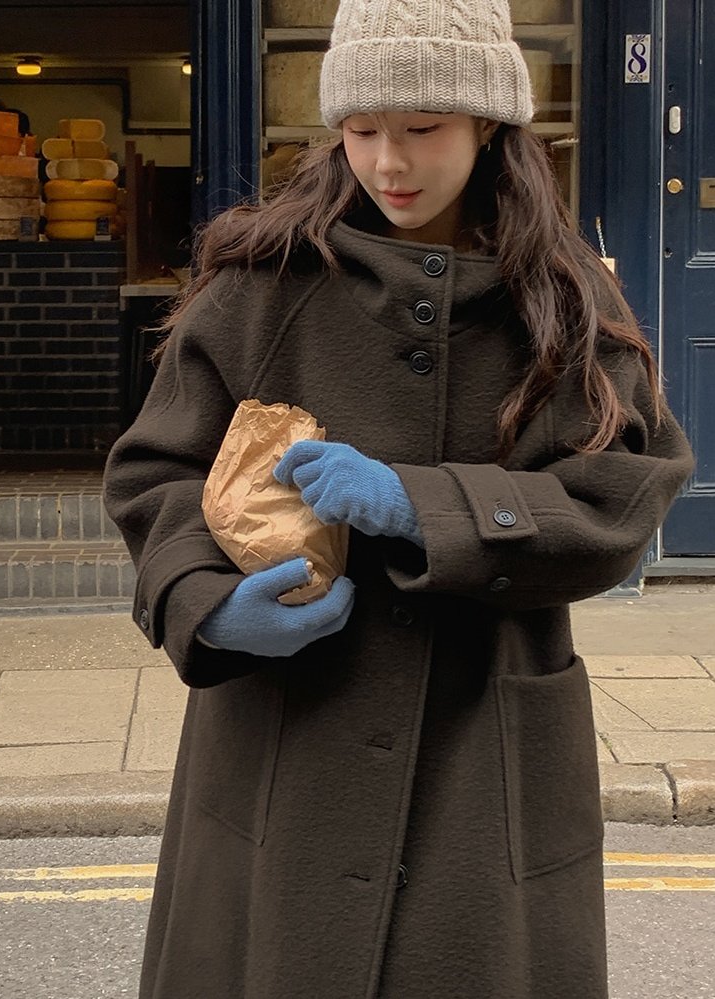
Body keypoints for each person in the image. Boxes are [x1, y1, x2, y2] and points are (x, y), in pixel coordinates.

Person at [102, 1, 694, 997]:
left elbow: (622, 502)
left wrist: (429, 507)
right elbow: (152, 474)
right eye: (363, 130)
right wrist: (208, 605)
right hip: (283, 744)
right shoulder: (263, 285)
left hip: (484, 752)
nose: (389, 162)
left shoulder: (564, 299)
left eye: (422, 130)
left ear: (490, 127)